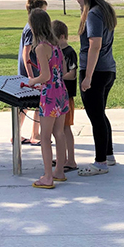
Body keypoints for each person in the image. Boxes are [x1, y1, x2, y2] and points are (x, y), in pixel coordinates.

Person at [72, 0, 117, 176]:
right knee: (101, 114)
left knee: (96, 116)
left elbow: (95, 45)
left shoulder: (93, 14)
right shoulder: (105, 10)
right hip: (108, 70)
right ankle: (108, 155)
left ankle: (100, 162)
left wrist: (87, 76)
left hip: (96, 71)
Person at [26, 9, 69, 189]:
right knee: (59, 133)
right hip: (61, 92)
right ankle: (59, 171)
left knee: (44, 137)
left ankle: (47, 177)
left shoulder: (41, 47)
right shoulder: (56, 46)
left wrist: (32, 81)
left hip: (49, 94)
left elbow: (44, 75)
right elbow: (64, 71)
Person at [18, 0, 48, 145]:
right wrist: (30, 76)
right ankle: (35, 135)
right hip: (31, 72)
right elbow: (26, 52)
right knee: (34, 103)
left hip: (33, 71)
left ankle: (18, 134)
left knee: (27, 104)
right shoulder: (31, 28)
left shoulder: (29, 26)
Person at [52, 20, 78, 171]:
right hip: (58, 95)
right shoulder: (56, 52)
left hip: (66, 96)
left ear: (62, 37)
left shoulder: (69, 52)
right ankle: (63, 157)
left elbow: (73, 74)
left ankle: (71, 160)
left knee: (66, 128)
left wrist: (59, 77)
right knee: (59, 129)